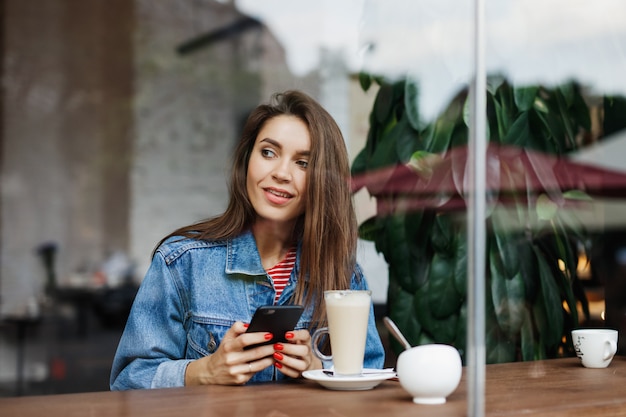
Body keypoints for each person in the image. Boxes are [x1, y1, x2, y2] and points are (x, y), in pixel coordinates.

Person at [109, 90, 385, 390]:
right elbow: (127, 383)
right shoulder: (182, 263)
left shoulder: (343, 275)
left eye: (303, 163)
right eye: (268, 152)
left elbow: (368, 375)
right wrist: (203, 372)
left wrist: (319, 367)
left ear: (323, 181)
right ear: (246, 161)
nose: (281, 173)